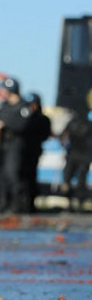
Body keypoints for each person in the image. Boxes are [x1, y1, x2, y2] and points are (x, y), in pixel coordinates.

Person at [0, 77, 32, 213]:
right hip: (4, 143)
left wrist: (6, 124)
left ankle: (16, 206)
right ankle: (3, 204)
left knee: (12, 174)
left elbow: (23, 125)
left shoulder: (23, 107)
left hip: (16, 144)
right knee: (2, 176)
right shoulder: (5, 106)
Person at [20, 94, 51, 213]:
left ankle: (30, 205)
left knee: (31, 178)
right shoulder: (24, 116)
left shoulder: (42, 119)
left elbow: (45, 135)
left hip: (33, 152)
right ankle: (20, 203)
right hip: (21, 151)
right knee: (19, 178)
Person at [60, 113, 92, 211]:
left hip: (82, 154)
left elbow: (62, 136)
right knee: (68, 179)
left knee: (79, 179)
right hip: (75, 153)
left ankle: (78, 202)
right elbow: (63, 136)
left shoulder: (80, 122)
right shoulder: (74, 122)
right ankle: (71, 202)